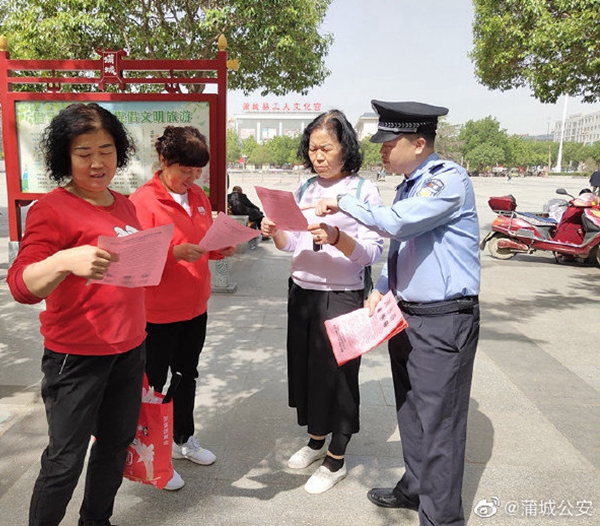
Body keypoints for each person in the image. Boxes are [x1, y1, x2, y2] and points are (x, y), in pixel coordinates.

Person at [315, 100, 480, 526]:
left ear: (420, 142)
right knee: (410, 408)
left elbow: (397, 225)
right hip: (406, 314)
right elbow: (400, 249)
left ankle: (441, 518)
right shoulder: (410, 184)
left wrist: (344, 204)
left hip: (444, 319)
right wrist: (383, 289)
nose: (383, 150)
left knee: (439, 423)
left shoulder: (447, 180)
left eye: (390, 142)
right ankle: (414, 488)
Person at [6, 103, 147, 526]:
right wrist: (65, 260)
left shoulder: (125, 206)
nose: (97, 162)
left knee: (113, 447)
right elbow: (20, 285)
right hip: (77, 357)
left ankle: (96, 521)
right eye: (84, 152)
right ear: (65, 157)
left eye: (106, 150)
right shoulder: (52, 208)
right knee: (65, 460)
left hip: (130, 349)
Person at [260, 110, 384, 494]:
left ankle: (337, 457)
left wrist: (334, 237)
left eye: (325, 148)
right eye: (312, 148)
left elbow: (372, 253)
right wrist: (276, 232)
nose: (318, 155)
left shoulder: (363, 192)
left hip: (342, 297)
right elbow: (295, 243)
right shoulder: (305, 189)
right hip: (302, 293)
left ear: (345, 148)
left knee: (340, 378)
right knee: (306, 371)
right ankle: (316, 441)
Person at [129, 126, 236, 491]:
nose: (190, 179)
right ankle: (152, 456)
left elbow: (204, 241)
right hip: (157, 312)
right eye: (184, 171)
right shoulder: (142, 202)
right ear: (163, 161)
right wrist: (173, 255)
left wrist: (223, 246)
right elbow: (133, 261)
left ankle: (182, 440)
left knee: (187, 375)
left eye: (197, 172)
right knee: (154, 385)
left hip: (195, 306)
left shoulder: (199, 196)